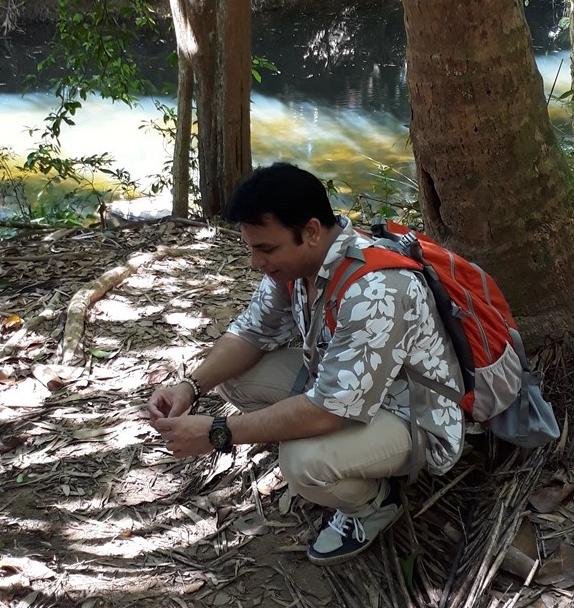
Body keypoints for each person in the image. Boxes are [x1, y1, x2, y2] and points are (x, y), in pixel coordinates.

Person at [147, 163, 465, 564]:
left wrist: (218, 432)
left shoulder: (377, 289)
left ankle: (372, 505)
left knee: (301, 463)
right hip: (346, 390)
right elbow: (250, 332)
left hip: (411, 415)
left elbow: (330, 408)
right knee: (234, 376)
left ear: (311, 231)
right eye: (251, 248)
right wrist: (189, 387)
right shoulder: (298, 266)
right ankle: (338, 452)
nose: (254, 262)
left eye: (266, 249)